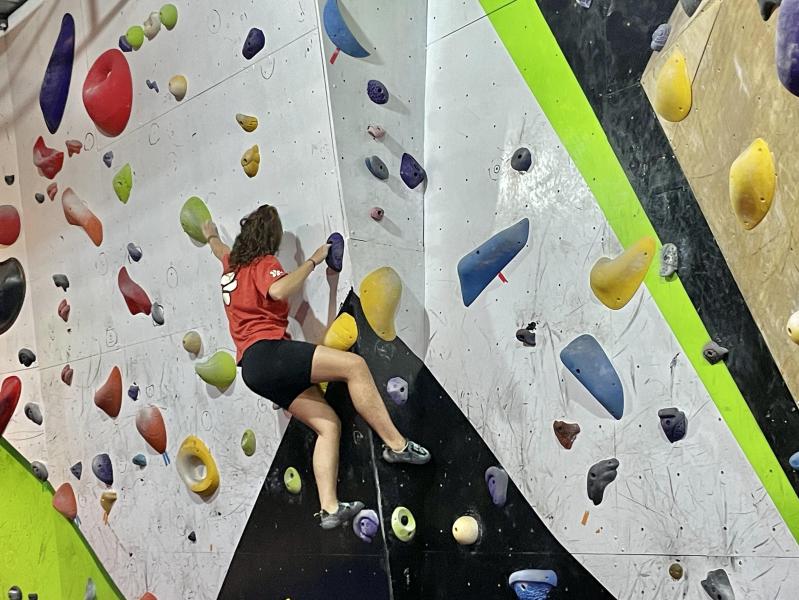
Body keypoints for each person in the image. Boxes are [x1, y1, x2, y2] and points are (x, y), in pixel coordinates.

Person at [201, 205, 430, 529]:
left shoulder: (231, 267)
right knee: (355, 365)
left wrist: (211, 234)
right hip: (269, 352)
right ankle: (396, 445)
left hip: (253, 370)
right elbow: (278, 289)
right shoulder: (264, 264)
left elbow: (219, 249)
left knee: (328, 425)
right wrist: (313, 260)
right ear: (271, 238)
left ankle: (329, 508)